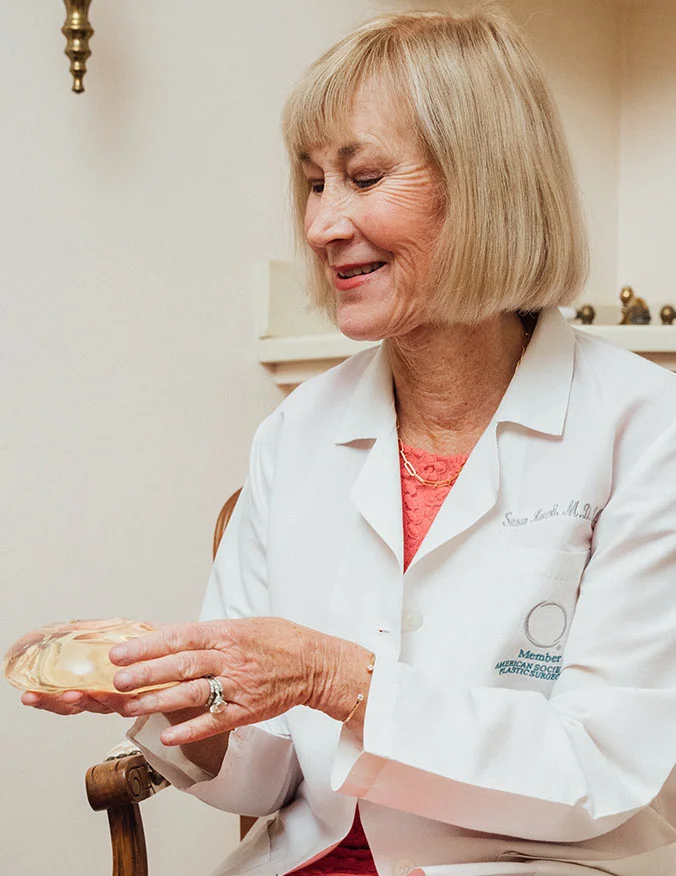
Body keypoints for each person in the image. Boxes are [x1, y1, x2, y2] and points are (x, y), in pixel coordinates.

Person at [23, 8, 676, 876]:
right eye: (313, 183)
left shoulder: (644, 429)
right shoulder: (298, 434)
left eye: (362, 179)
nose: (321, 225)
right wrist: (181, 698)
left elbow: (607, 769)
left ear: (488, 184)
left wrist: (338, 678)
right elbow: (270, 776)